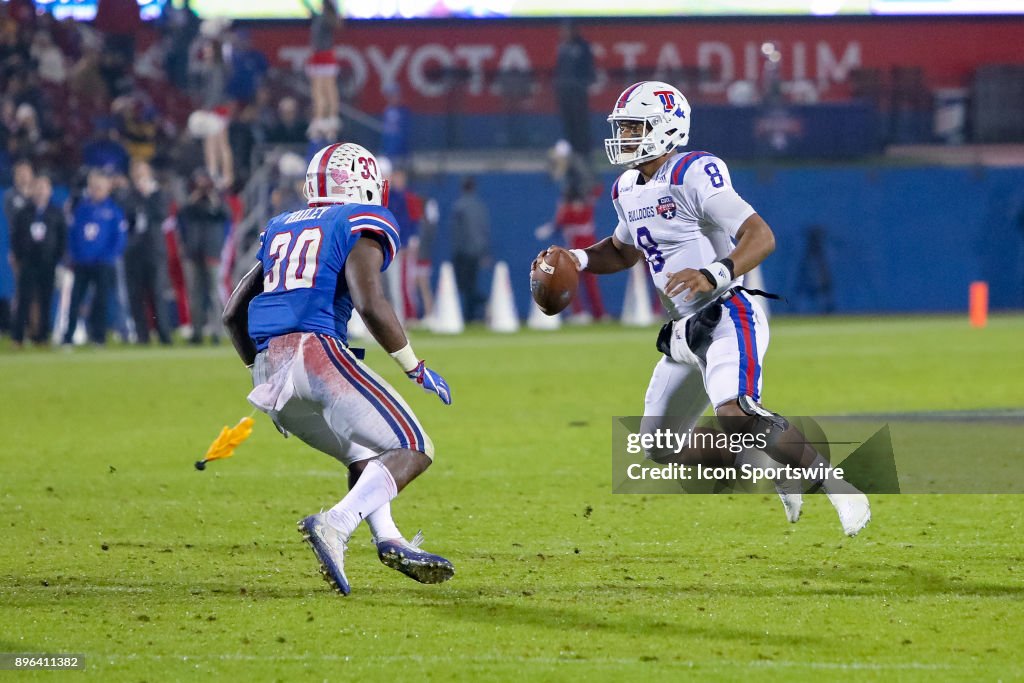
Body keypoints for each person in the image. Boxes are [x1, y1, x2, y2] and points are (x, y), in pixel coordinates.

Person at [534, 81, 870, 537]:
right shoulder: (626, 187)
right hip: (681, 333)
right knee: (658, 447)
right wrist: (579, 258)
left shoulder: (694, 171)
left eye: (635, 126)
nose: (626, 135)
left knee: (737, 412)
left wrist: (714, 272)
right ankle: (769, 461)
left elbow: (761, 236)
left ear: (666, 128)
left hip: (728, 314)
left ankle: (839, 486)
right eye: (624, 126)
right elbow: (623, 249)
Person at [222, 142, 454, 596]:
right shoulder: (359, 220)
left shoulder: (281, 225)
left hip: (269, 370)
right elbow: (370, 302)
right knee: (413, 445)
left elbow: (233, 312)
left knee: (363, 452)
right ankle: (336, 523)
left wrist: (265, 375)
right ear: (364, 182)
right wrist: (413, 366)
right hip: (316, 351)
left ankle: (389, 538)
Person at [63, 168, 127, 346]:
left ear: (107, 188)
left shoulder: (114, 210)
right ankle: (69, 336)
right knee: (75, 300)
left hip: (103, 263)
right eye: (93, 186)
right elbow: (72, 235)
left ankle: (98, 336)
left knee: (101, 301)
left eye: (100, 186)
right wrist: (75, 255)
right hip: (82, 263)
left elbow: (119, 239)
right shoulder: (81, 209)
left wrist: (107, 256)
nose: (96, 190)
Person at [121, 160, 171, 345]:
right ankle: (142, 335)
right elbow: (126, 213)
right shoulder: (129, 195)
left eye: (142, 172)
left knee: (157, 292)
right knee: (135, 294)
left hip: (154, 250)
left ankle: (164, 333)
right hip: (133, 251)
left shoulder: (158, 194)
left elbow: (161, 214)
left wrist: (147, 196)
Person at [11, 173, 64, 346]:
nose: (40, 191)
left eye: (44, 187)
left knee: (46, 299)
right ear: (32, 190)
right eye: (37, 187)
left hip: (48, 262)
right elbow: (16, 237)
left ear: (50, 191)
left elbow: (62, 237)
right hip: (28, 262)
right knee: (24, 299)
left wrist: (58, 257)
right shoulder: (24, 212)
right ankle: (18, 337)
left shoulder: (56, 212)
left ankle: (42, 337)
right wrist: (19, 256)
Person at [178, 169, 229, 345]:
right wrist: (195, 197)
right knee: (195, 294)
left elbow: (225, 214)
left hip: (211, 251)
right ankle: (197, 332)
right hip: (194, 252)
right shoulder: (192, 204)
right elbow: (182, 213)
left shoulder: (218, 202)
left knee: (213, 293)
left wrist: (213, 198)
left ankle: (216, 332)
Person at [1, 159, 35, 337]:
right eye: (19, 173)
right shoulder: (10, 197)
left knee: (38, 292)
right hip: (21, 248)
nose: (23, 177)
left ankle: (35, 329)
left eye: (26, 173)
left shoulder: (37, 193)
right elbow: (14, 220)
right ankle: (19, 327)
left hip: (40, 249)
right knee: (21, 290)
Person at [450, 176, 490, 322]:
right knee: (470, 284)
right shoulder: (480, 206)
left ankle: (475, 309)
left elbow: (457, 232)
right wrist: (485, 252)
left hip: (464, 251)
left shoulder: (459, 207)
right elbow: (484, 231)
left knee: (465, 285)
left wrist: (457, 250)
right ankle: (471, 313)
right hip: (477, 251)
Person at [553, 22, 595, 158]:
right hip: (565, 92)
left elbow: (588, 67)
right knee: (568, 121)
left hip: (578, 92)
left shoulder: (583, 46)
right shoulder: (562, 47)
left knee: (580, 121)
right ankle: (571, 148)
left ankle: (583, 150)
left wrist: (583, 83)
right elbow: (560, 68)